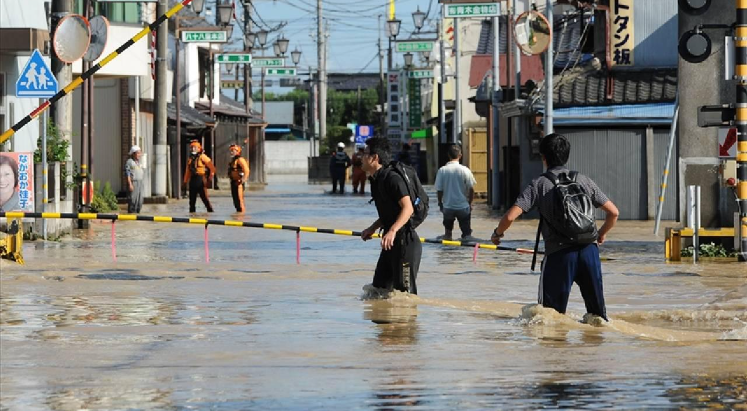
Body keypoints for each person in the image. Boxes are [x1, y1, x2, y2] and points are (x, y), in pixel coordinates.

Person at [491, 133, 619, 322]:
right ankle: (595, 350)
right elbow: (614, 213)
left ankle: (556, 352)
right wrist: (600, 234)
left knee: (549, 319)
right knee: (598, 318)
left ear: (544, 158)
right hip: (589, 252)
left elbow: (510, 216)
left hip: (559, 255)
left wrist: (497, 233)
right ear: (567, 156)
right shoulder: (583, 180)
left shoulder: (539, 184)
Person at [360, 137, 422, 295]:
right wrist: (372, 228)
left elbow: (407, 209)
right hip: (389, 243)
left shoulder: (392, 178)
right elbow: (391, 213)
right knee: (377, 291)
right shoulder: (376, 180)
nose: (361, 157)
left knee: (405, 297)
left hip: (405, 243)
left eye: (364, 153)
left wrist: (393, 230)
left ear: (374, 158)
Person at [434, 144, 476, 241]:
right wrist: (470, 203)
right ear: (460, 156)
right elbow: (471, 189)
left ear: (448, 155)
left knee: (447, 236)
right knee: (467, 236)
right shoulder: (465, 170)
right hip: (463, 207)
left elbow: (439, 190)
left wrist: (440, 203)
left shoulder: (442, 170)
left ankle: (449, 252)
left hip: (448, 207)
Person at [183, 140, 216, 213]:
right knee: (191, 201)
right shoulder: (190, 159)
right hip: (193, 180)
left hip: (201, 179)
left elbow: (212, 168)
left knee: (205, 199)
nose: (193, 149)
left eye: (194, 147)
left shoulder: (203, 157)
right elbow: (187, 171)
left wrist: (210, 178)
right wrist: (185, 182)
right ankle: (192, 215)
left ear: (199, 148)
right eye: (191, 147)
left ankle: (210, 212)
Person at [227, 144, 250, 213]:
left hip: (239, 182)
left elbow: (246, 170)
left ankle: (242, 216)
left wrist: (243, 180)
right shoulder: (233, 160)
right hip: (233, 182)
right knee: (235, 201)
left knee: (240, 201)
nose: (231, 152)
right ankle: (237, 215)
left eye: (233, 151)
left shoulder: (240, 160)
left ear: (237, 151)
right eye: (231, 151)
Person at [124, 145, 145, 213]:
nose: (139, 155)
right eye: (138, 153)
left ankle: (137, 216)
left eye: (140, 153)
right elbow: (128, 173)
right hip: (134, 183)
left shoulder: (139, 163)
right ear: (133, 154)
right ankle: (131, 215)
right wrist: (130, 184)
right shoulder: (130, 162)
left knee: (140, 201)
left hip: (140, 183)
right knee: (133, 200)